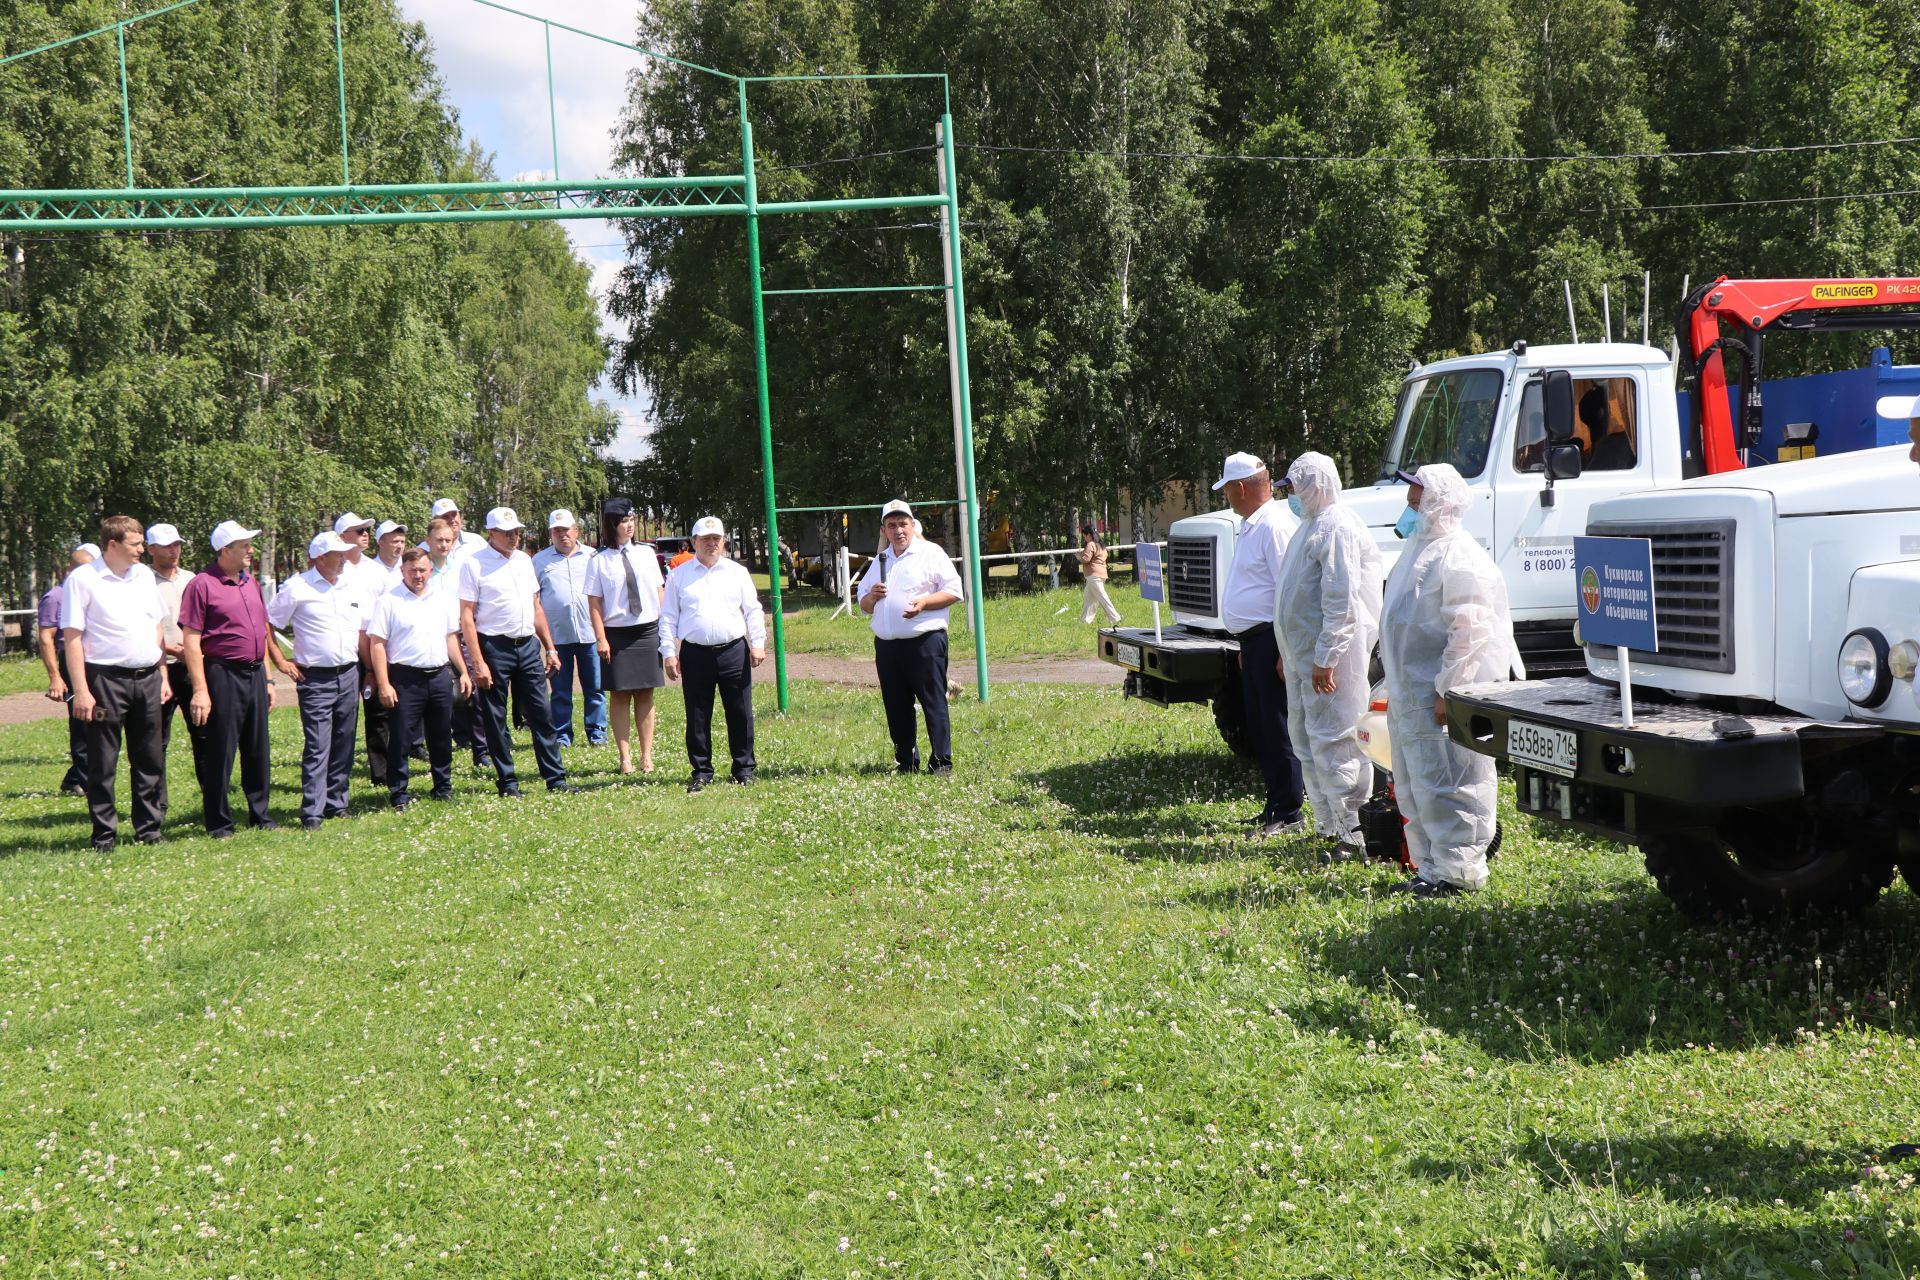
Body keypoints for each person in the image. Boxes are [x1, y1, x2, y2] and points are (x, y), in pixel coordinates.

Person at [1380, 463, 1524, 896]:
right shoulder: (1420, 551)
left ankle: (1461, 875)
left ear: (1439, 502)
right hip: (1412, 696)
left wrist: (1450, 691)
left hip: (1438, 698)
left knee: (1452, 784)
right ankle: (1431, 870)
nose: (1409, 503)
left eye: (1417, 495)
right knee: (1417, 785)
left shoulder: (1460, 556)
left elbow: (1472, 632)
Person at [1273, 453, 1383, 862]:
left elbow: (1342, 600)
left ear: (1317, 485)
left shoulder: (1337, 526)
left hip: (1332, 664)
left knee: (1337, 741)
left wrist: (1327, 656)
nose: (1290, 496)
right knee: (1306, 740)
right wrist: (1289, 654)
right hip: (1304, 659)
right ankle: (1328, 824)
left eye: (1295, 487)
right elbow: (1293, 599)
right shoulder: (1309, 527)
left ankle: (1354, 835)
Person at [62, 517, 171, 851]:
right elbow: (72, 638)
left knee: (150, 757)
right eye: (136, 544)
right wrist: (81, 690)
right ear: (112, 545)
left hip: (147, 677)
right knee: (103, 760)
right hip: (105, 679)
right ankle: (105, 834)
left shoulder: (142, 577)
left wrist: (162, 674)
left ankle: (149, 830)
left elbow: (157, 624)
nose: (142, 550)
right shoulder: (83, 579)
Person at [1214, 451, 1306, 839]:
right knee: (1262, 727)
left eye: (1226, 491)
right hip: (1255, 641)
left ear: (1239, 488)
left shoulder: (1274, 525)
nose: (1226, 499)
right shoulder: (1254, 524)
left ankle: (1290, 811)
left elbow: (1289, 593)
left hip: (1271, 639)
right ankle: (1275, 804)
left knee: (1278, 727)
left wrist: (1284, 650)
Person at [179, 520, 288, 838]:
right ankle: (219, 822)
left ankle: (260, 814)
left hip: (254, 673)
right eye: (244, 545)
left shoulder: (249, 582)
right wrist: (200, 689)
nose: (251, 550)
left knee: (257, 748)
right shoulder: (202, 584)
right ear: (225, 550)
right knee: (221, 750)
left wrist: (268, 679)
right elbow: (191, 639)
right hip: (222, 673)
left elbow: (260, 632)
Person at [459, 507, 578, 796]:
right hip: (493, 647)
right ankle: (508, 782)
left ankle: (556, 779)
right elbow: (466, 616)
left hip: (527, 646)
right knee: (496, 718)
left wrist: (550, 647)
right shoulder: (473, 564)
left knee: (541, 713)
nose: (514, 537)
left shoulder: (525, 560)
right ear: (491, 533)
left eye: (517, 532)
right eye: (507, 533)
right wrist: (478, 662)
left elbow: (536, 607)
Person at [268, 531, 370, 830]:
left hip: (349, 672)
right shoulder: (297, 587)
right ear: (320, 558)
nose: (343, 559)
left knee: (344, 741)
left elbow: (363, 630)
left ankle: (337, 803)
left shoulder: (351, 584)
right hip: (315, 678)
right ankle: (312, 810)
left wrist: (371, 671)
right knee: (318, 744)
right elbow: (267, 623)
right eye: (338, 555)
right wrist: (280, 661)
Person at [857, 499, 964, 776]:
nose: (898, 531)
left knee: (933, 703)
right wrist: (871, 597)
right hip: (888, 647)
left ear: (912, 525)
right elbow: (863, 604)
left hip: (924, 643)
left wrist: (925, 603)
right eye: (891, 525)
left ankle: (941, 762)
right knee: (896, 706)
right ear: (884, 530)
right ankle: (906, 762)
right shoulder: (881, 559)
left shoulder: (930, 552)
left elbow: (954, 591)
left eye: (903, 524)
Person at [660, 516, 766, 792]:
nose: (711, 544)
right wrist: (669, 652)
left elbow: (753, 609)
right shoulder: (679, 576)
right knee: (697, 715)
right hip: (695, 654)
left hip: (733, 650)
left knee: (740, 712)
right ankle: (702, 770)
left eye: (716, 539)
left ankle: (743, 769)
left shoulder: (736, 572)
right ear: (693, 542)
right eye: (705, 539)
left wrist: (758, 642)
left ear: (723, 541)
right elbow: (668, 617)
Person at [367, 547, 471, 809]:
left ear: (431, 570)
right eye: (412, 570)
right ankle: (399, 793)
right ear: (402, 570)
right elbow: (377, 644)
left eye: (423, 570)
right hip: (404, 678)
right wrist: (383, 683)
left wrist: (464, 671)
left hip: (438, 676)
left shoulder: (442, 598)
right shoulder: (388, 601)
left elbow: (450, 637)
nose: (418, 575)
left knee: (440, 736)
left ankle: (443, 786)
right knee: (401, 738)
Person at [586, 498, 666, 775]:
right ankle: (625, 758)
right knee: (620, 695)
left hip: (646, 631)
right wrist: (601, 638)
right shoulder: (598, 560)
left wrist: (664, 630)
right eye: (623, 522)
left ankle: (646, 756)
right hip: (616, 635)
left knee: (646, 693)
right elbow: (594, 602)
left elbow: (659, 592)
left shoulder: (646, 554)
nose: (629, 526)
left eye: (631, 520)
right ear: (611, 525)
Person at [533, 508, 607, 748]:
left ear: (576, 531)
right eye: (556, 531)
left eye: (566, 530)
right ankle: (562, 735)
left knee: (595, 688)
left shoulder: (593, 556)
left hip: (590, 634)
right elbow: (534, 600)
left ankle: (597, 733)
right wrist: (547, 644)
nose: (562, 534)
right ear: (551, 534)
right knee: (561, 691)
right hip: (558, 638)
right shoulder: (539, 561)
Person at [335, 512, 393, 790]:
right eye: (358, 530)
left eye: (366, 530)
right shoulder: (334, 569)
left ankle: (381, 773)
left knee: (380, 711)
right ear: (343, 537)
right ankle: (336, 775)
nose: (365, 534)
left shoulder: (377, 571)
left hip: (374, 645)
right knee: (343, 715)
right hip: (343, 648)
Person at [427, 515, 488, 768]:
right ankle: (441, 750)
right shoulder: (422, 570)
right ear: (428, 540)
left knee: (473, 692)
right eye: (439, 540)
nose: (444, 545)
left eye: (448, 541)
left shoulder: (461, 568)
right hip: (430, 638)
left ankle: (481, 750)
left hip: (460, 636)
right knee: (439, 697)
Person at [38, 543, 96, 795]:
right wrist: (55, 677)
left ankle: (74, 778)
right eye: (81, 568)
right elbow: (46, 638)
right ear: (68, 569)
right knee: (82, 723)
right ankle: (85, 781)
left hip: (95, 662)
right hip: (71, 663)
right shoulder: (56, 597)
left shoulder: (91, 592)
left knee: (100, 721)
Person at [145, 523, 192, 750]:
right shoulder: (141, 580)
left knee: (203, 732)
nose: (173, 551)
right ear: (151, 549)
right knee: (157, 736)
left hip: (191, 667)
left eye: (176, 545)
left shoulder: (191, 579)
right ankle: (155, 786)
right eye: (166, 546)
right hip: (157, 669)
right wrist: (171, 649)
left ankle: (210, 786)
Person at [1076, 523, 1121, 624]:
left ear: (1089, 535)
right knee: (1089, 599)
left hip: (1093, 575)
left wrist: (1078, 556)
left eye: (1084, 536)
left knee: (1101, 597)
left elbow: (1086, 559)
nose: (1084, 538)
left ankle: (1115, 617)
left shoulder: (1091, 544)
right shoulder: (1101, 545)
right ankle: (1085, 620)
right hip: (1101, 574)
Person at [422, 497, 488, 564]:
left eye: (454, 515)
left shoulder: (477, 542)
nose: (452, 520)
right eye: (445, 516)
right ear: (435, 520)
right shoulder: (423, 550)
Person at [373, 520, 409, 585]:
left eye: (402, 542)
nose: (400, 546)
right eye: (395, 542)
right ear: (381, 544)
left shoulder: (410, 567)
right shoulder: (369, 569)